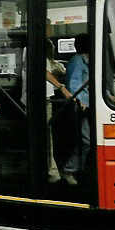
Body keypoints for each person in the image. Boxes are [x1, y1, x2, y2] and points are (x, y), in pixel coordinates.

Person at [45, 39, 74, 183]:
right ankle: (53, 173)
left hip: (46, 98)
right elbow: (45, 72)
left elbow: (55, 67)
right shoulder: (36, 50)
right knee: (46, 137)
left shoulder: (48, 59)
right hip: (42, 100)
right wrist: (62, 87)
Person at [63, 34, 90, 185]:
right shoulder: (77, 61)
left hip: (93, 106)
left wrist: (109, 96)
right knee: (86, 141)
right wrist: (80, 101)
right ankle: (70, 169)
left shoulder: (91, 60)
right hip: (81, 107)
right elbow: (74, 85)